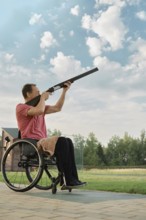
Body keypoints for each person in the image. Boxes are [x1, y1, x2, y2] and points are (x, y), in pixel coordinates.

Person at [16, 82, 85, 188]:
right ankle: (67, 181)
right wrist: (43, 98)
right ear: (28, 94)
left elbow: (58, 108)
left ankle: (72, 179)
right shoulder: (21, 107)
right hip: (31, 144)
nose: (40, 93)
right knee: (61, 140)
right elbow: (39, 110)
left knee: (68, 141)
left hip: (42, 142)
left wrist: (64, 91)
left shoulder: (40, 106)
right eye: (37, 92)